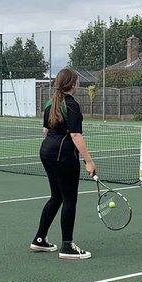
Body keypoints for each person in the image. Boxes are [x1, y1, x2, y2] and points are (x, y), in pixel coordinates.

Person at [31, 67, 98, 260]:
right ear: (72, 84)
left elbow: (45, 131)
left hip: (46, 152)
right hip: (64, 156)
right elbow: (75, 135)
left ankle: (40, 239)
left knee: (56, 196)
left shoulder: (50, 103)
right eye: (77, 81)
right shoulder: (72, 105)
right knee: (69, 199)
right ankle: (67, 246)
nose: (78, 84)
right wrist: (89, 161)